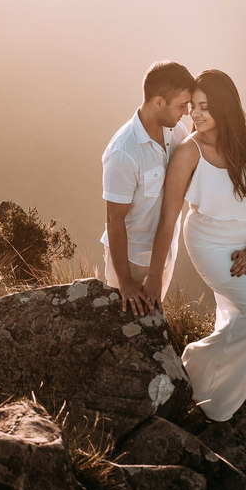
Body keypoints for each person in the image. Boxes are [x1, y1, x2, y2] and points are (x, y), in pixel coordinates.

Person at [147, 68, 246, 421]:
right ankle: (198, 366)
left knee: (241, 316)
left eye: (205, 106)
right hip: (208, 242)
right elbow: (168, 218)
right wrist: (153, 275)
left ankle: (210, 386)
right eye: (192, 106)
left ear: (225, 106)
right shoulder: (190, 152)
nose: (196, 114)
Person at [101, 60, 196, 316]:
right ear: (158, 102)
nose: (186, 112)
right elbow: (114, 219)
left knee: (151, 327)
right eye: (181, 105)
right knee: (123, 327)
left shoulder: (176, 131)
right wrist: (125, 282)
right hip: (131, 262)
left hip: (163, 256)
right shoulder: (123, 152)